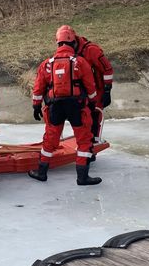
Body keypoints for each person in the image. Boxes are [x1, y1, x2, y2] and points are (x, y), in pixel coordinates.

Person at [28, 27, 102, 186]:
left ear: (58, 43)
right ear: (73, 42)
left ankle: (41, 172)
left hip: (55, 107)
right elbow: (91, 87)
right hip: (77, 106)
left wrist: (36, 106)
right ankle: (82, 177)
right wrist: (93, 103)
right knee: (83, 140)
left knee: (50, 139)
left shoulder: (47, 64)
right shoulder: (80, 62)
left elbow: (38, 87)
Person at [56, 25, 114, 147]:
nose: (64, 47)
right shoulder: (65, 51)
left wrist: (107, 90)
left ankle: (91, 145)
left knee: (93, 118)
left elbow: (107, 70)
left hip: (96, 90)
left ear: (74, 41)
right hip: (78, 91)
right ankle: (82, 142)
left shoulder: (92, 50)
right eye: (60, 45)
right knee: (78, 118)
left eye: (66, 44)